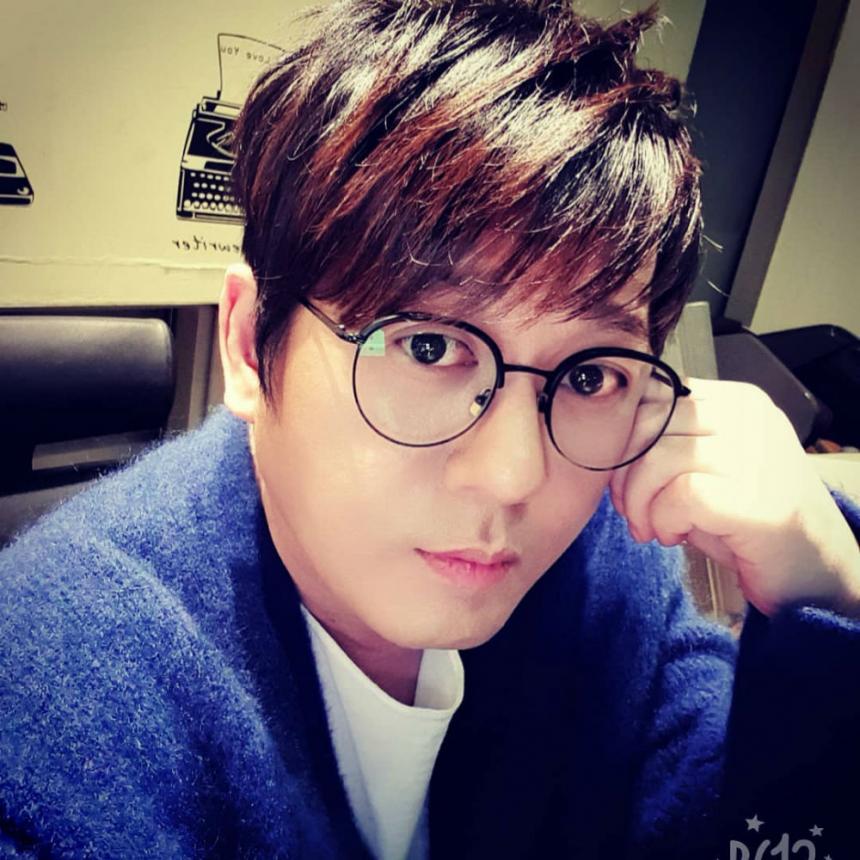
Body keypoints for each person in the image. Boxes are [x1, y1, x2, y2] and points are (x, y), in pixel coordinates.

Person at [1, 0, 859, 857]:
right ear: (251, 348)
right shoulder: (57, 692)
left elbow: (744, 827)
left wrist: (830, 596)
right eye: (427, 346)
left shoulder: (603, 549)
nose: (516, 475)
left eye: (589, 375)